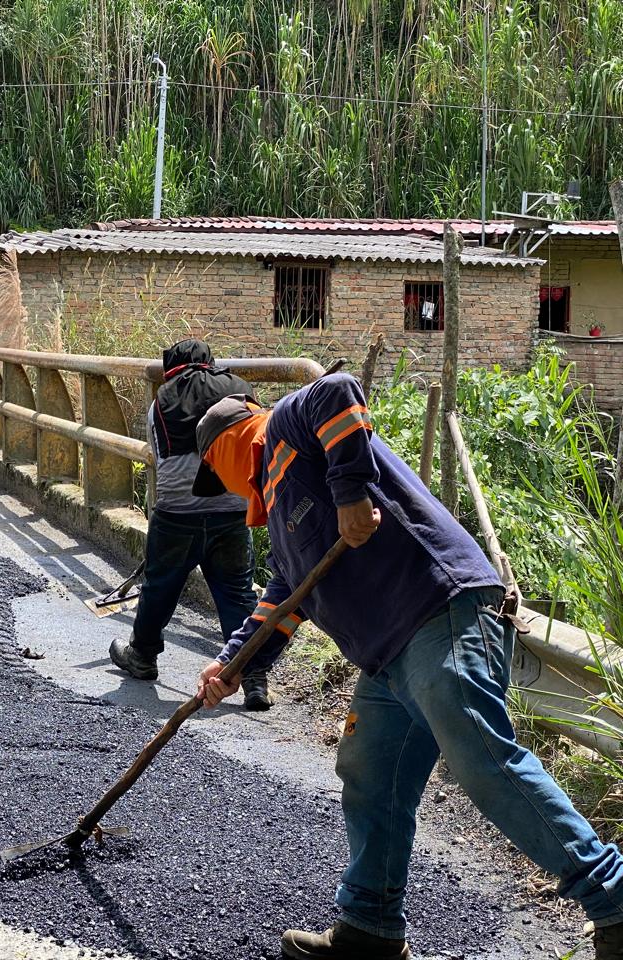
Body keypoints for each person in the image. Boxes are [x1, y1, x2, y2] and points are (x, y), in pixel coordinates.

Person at [189, 373, 623, 960]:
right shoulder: (284, 523)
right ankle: (369, 927)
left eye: (218, 476)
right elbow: (283, 602)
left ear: (224, 450)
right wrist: (231, 663)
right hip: (386, 659)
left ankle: (613, 897)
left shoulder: (287, 425)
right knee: (371, 778)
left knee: (483, 763)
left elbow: (338, 390)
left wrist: (349, 493)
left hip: (437, 613)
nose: (232, 491)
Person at [107, 340, 269, 709]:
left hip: (177, 513)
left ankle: (143, 657)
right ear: (211, 364)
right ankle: (254, 677)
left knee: (160, 587)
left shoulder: (160, 402)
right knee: (237, 592)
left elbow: (159, 455)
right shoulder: (241, 388)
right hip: (232, 509)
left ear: (170, 369)